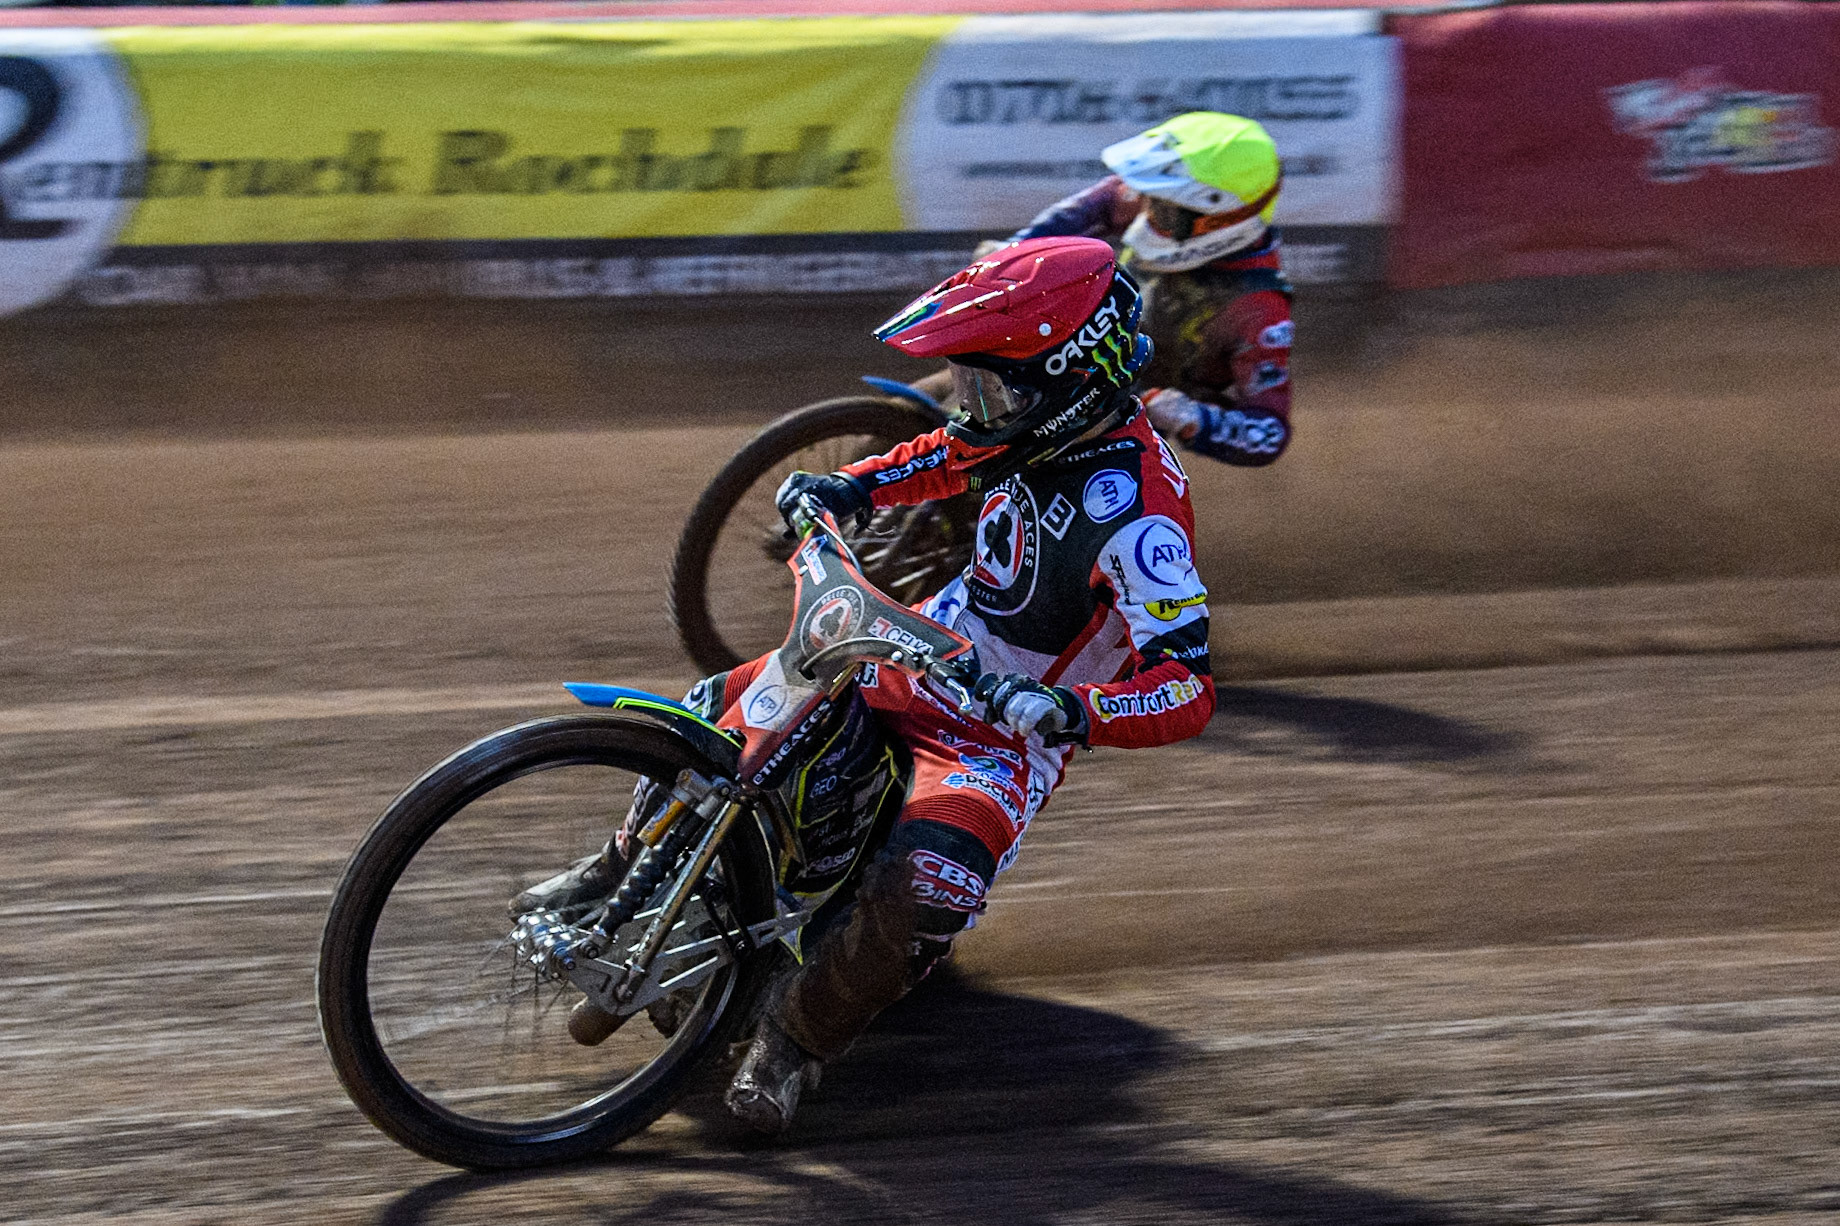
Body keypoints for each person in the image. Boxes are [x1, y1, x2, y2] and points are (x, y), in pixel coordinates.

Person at [519, 237, 1218, 1134]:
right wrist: (847, 490)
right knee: (714, 715)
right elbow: (946, 454)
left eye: (992, 386)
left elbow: (1186, 688)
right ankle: (615, 869)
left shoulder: (1146, 523)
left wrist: (1066, 707)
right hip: (910, 648)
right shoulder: (1033, 427)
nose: (974, 405)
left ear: (1071, 381)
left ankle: (795, 1039)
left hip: (1001, 737)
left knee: (934, 883)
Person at [990, 111, 1295, 468]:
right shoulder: (1166, 200)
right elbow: (1100, 202)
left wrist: (1189, 416)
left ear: (1220, 218)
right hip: (1062, 348)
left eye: (1163, 210)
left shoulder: (1259, 307)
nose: (1144, 211)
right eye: (1150, 198)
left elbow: (1268, 434)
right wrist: (1014, 252)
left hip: (1116, 418)